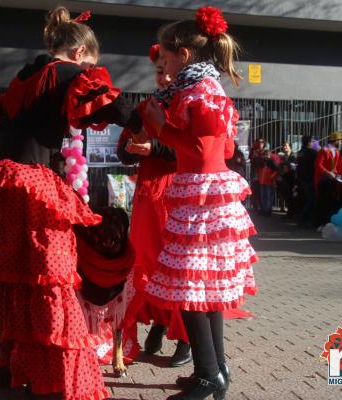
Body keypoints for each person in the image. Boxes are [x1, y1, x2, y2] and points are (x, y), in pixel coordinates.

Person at [0, 6, 143, 400]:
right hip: (33, 188)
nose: (91, 70)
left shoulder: (23, 76)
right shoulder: (68, 73)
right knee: (49, 278)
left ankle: (14, 366)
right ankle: (52, 380)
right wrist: (148, 116)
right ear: (78, 54)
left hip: (3, 187)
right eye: (91, 62)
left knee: (15, 277)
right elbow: (117, 109)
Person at [139, 7, 257, 399]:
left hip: (203, 197)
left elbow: (204, 151)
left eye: (167, 57)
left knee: (191, 289)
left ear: (184, 55)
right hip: (203, 195)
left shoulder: (201, 91)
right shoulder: (201, 88)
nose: (164, 63)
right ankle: (215, 370)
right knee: (204, 290)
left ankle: (210, 375)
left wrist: (160, 127)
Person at [116, 44, 191, 367]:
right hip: (148, 197)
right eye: (159, 71)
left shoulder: (191, 103)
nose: (163, 77)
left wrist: (155, 149)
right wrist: (134, 149)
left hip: (179, 194)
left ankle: (187, 337)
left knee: (179, 266)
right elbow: (123, 152)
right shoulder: (146, 106)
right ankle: (159, 320)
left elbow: (196, 151)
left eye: (167, 69)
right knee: (146, 265)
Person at [314, 131, 342, 228]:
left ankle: (328, 222)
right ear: (335, 141)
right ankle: (320, 223)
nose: (340, 142)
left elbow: (335, 167)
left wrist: (337, 174)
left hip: (332, 180)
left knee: (331, 202)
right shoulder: (324, 150)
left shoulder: (337, 152)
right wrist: (327, 173)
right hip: (323, 180)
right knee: (322, 202)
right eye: (339, 140)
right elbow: (318, 165)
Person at [296, 135, 318, 225]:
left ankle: (302, 217)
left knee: (304, 198)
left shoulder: (300, 152)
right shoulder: (312, 152)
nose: (313, 143)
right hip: (309, 178)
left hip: (301, 178)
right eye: (312, 141)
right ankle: (303, 217)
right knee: (311, 199)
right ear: (309, 142)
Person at [258, 150, 278, 216]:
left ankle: (267, 210)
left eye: (267, 154)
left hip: (269, 182)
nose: (265, 156)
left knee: (268, 197)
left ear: (270, 155)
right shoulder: (262, 162)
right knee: (263, 196)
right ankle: (264, 209)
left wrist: (271, 177)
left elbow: (276, 170)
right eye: (265, 154)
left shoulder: (271, 162)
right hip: (262, 182)